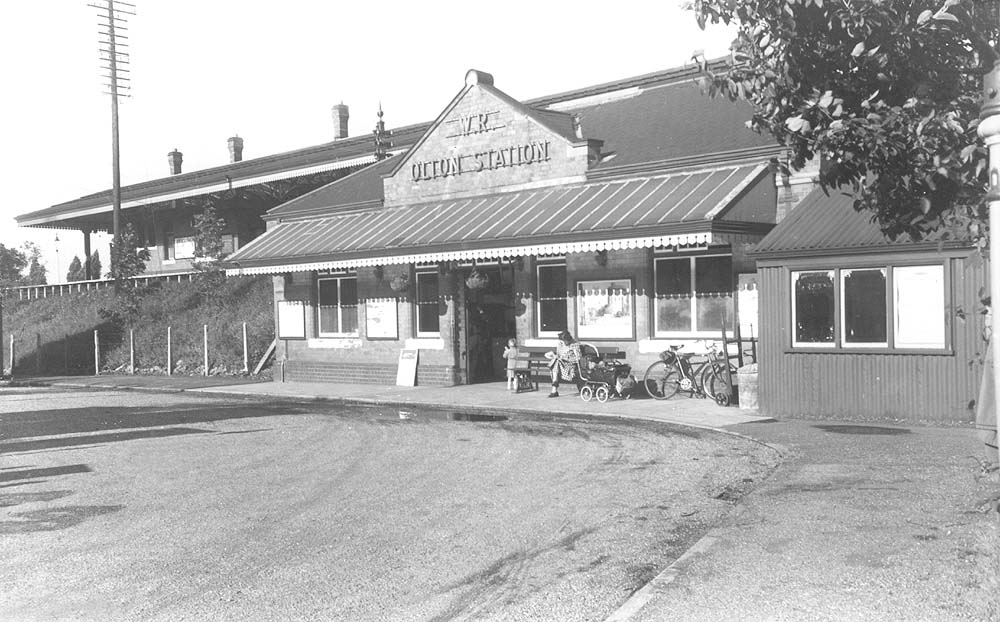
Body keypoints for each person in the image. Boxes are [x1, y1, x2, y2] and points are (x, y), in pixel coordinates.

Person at [548, 331, 581, 398]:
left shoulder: (574, 344)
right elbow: (558, 354)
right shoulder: (560, 344)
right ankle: (554, 389)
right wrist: (553, 355)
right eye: (562, 341)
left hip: (570, 366)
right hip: (561, 365)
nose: (564, 343)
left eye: (565, 341)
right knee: (556, 363)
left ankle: (554, 390)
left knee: (555, 365)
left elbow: (578, 357)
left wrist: (567, 359)